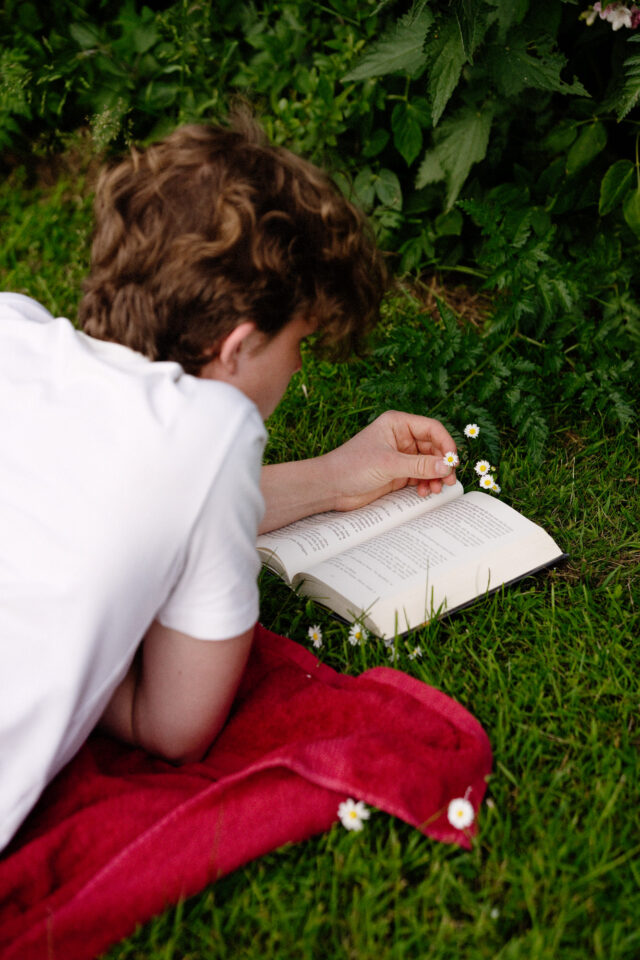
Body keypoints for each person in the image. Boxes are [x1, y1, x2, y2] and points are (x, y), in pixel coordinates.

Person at [0, 113, 457, 853]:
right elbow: (172, 728)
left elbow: (149, 510)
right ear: (237, 347)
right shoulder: (213, 430)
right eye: (299, 343)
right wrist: (81, 655)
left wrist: (338, 479)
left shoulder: (12, 325)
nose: (299, 369)